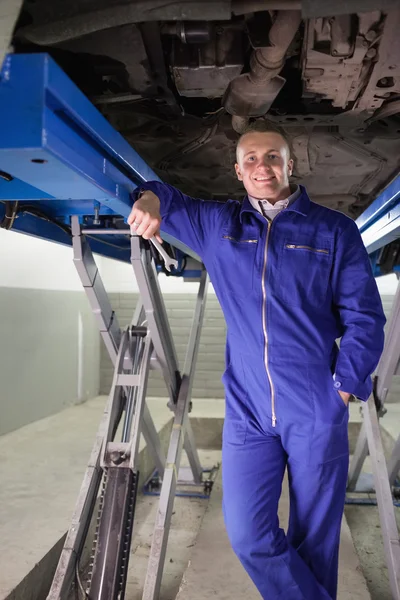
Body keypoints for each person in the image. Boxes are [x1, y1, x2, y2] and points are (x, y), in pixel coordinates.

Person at [128, 121, 386, 600]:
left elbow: (365, 318)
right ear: (237, 171)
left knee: (315, 540)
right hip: (248, 409)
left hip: (315, 404)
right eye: (251, 159)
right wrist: (148, 199)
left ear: (291, 164)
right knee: (248, 533)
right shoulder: (217, 224)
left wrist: (343, 389)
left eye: (272, 157)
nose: (262, 167)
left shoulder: (334, 230)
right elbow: (166, 196)